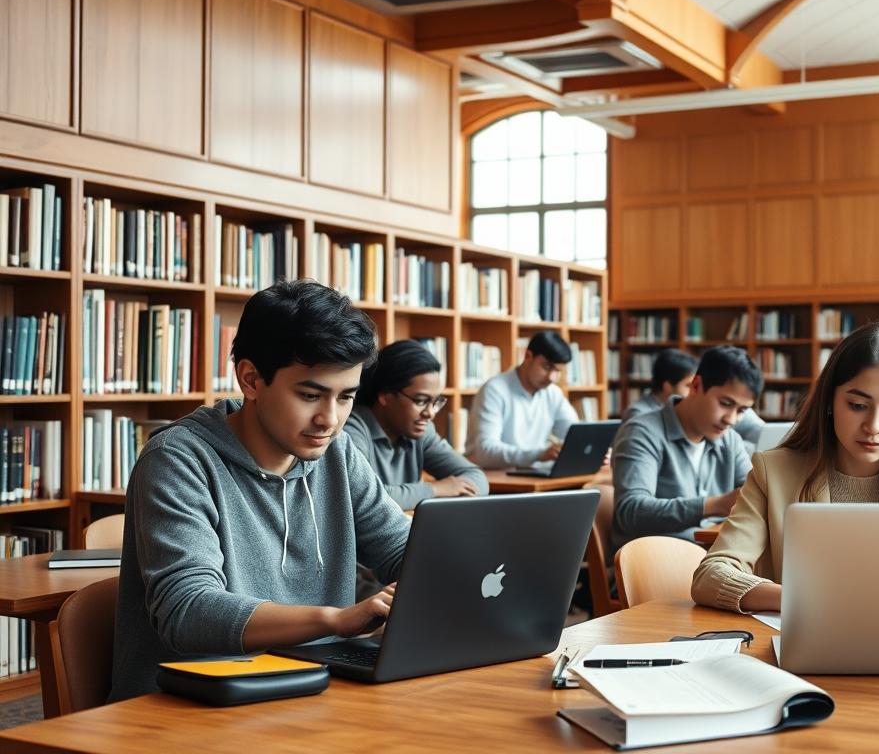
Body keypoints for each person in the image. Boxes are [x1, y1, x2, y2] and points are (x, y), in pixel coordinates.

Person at [109, 280, 411, 701]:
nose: (330, 419)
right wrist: (334, 620)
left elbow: (405, 552)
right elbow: (187, 611)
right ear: (251, 379)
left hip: (312, 690)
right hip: (189, 705)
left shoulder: (335, 453)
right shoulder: (177, 459)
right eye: (310, 395)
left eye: (345, 398)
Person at [691, 322, 879, 614]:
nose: (873, 427)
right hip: (811, 646)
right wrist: (809, 599)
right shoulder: (773, 473)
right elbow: (711, 576)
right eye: (857, 405)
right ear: (830, 401)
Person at [610, 346, 760, 550]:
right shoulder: (641, 431)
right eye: (725, 403)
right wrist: (714, 505)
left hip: (710, 557)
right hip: (655, 566)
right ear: (696, 385)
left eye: (742, 410)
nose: (731, 419)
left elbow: (753, 492)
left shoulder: (730, 440)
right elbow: (630, 512)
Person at [344, 340, 488, 509]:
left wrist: (442, 493)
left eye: (436, 402)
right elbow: (364, 499)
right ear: (385, 395)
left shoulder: (422, 431)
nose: (430, 413)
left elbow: (477, 478)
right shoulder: (351, 431)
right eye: (420, 401)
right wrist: (435, 489)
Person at [465, 330, 578, 469]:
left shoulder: (553, 393)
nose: (552, 378)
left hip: (530, 476)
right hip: (494, 479)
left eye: (558, 371)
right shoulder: (494, 390)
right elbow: (486, 451)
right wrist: (538, 454)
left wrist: (592, 448)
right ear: (527, 355)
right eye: (547, 367)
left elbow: (575, 432)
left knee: (599, 489)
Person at [621, 347, 768, 451]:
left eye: (741, 409)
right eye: (687, 385)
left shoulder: (728, 432)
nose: (731, 419)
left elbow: (763, 432)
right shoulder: (641, 421)